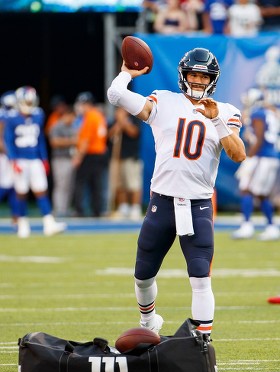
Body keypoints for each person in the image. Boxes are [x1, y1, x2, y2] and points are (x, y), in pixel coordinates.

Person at [107, 48, 246, 339]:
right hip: (162, 202)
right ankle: (148, 324)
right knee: (143, 275)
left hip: (198, 207)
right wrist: (127, 73)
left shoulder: (227, 111)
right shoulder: (164, 101)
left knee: (200, 277)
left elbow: (238, 154)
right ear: (184, 75)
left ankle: (202, 341)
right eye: (193, 74)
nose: (197, 80)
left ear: (212, 79)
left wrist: (217, 119)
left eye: (203, 75)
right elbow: (115, 95)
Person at [3, 86, 66, 238]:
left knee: (41, 190)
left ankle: (48, 223)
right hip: (20, 159)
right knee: (21, 192)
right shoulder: (11, 117)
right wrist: (13, 160)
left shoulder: (38, 115)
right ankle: (22, 224)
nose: (29, 105)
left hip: (35, 159)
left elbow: (40, 140)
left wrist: (44, 158)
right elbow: (8, 141)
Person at [232, 88, 280, 241]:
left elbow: (259, 138)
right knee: (261, 194)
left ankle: (247, 226)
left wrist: (249, 157)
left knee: (246, 189)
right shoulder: (268, 113)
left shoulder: (258, 113)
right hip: (269, 156)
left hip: (262, 156)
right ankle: (271, 227)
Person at [72, 92, 108, 217]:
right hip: (100, 153)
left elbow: (86, 140)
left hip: (90, 153)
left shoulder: (90, 116)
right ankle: (97, 210)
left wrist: (78, 157)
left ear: (87, 104)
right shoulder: (99, 115)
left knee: (81, 182)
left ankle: (80, 210)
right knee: (97, 183)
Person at [108, 108, 143, 220]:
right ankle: (123, 207)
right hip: (118, 158)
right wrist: (118, 123)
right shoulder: (114, 121)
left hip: (131, 157)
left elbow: (134, 132)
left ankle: (135, 208)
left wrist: (123, 121)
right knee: (120, 184)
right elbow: (109, 135)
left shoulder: (134, 119)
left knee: (133, 184)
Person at [49, 105, 77, 217]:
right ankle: (58, 209)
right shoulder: (57, 126)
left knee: (69, 186)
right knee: (60, 184)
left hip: (70, 158)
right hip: (59, 159)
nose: (73, 119)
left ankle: (65, 208)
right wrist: (71, 141)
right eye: (72, 117)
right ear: (66, 115)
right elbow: (54, 142)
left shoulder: (71, 127)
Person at [0, 91, 19, 225]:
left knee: (15, 186)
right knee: (6, 185)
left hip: (12, 155)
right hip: (5, 157)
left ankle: (16, 217)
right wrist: (10, 154)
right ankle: (16, 217)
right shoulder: (4, 115)